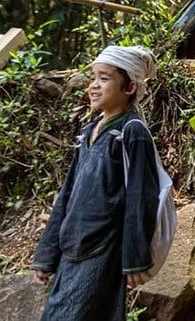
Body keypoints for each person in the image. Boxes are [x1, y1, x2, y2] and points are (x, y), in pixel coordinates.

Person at [32, 46, 160, 321]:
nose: (93, 85)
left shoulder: (131, 131)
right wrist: (47, 253)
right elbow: (67, 194)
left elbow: (141, 197)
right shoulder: (89, 131)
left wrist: (135, 257)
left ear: (130, 88)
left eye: (104, 78)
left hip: (102, 247)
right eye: (92, 78)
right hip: (72, 245)